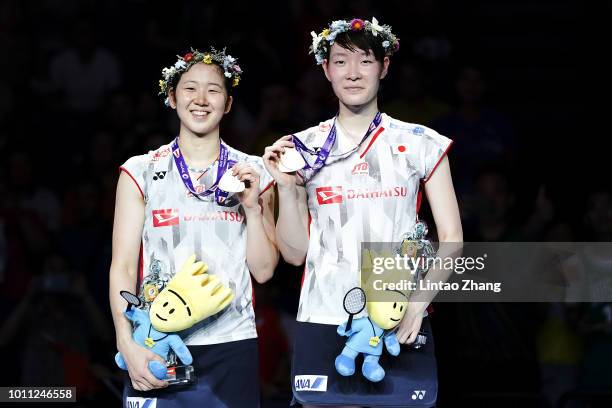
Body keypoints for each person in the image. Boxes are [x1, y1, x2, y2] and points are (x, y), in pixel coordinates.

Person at [263, 18, 462, 407]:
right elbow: (294, 254)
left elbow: (452, 240)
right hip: (322, 319)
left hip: (397, 318)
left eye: (365, 61)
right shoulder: (302, 149)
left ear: (384, 67)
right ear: (326, 70)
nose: (353, 73)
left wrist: (417, 306)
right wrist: (287, 189)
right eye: (340, 61)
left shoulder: (421, 143)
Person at [109, 47, 278, 407]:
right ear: (171, 97)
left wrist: (251, 208)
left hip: (232, 344)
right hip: (155, 343)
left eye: (214, 90)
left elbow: (263, 272)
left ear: (228, 103)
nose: (201, 100)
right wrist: (126, 342)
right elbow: (122, 267)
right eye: (190, 89)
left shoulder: (253, 173)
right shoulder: (140, 171)